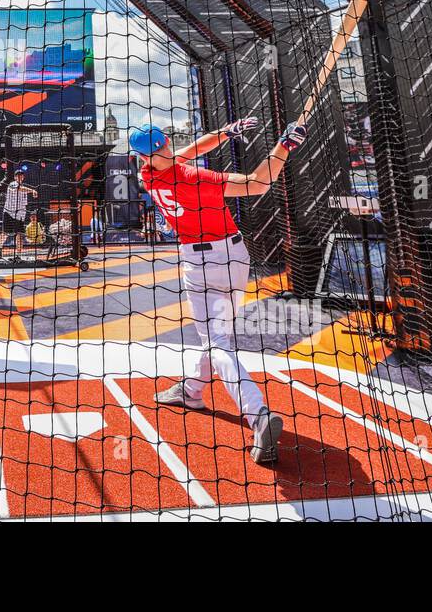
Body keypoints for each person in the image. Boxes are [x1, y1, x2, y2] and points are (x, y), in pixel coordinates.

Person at [130, 115, 304, 465]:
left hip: (198, 261)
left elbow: (190, 150)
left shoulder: (147, 175)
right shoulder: (194, 176)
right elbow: (257, 183)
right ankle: (195, 390)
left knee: (215, 338)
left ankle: (255, 414)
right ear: (163, 144)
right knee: (217, 336)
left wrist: (226, 132)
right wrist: (284, 146)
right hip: (233, 258)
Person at [0, 169, 38, 260]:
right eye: (18, 175)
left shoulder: (24, 189)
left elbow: (24, 202)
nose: (19, 177)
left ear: (23, 177)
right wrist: (33, 190)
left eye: (21, 175)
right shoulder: (12, 184)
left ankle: (18, 255)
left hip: (20, 215)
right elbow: (20, 188)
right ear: (14, 177)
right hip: (9, 213)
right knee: (6, 233)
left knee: (19, 234)